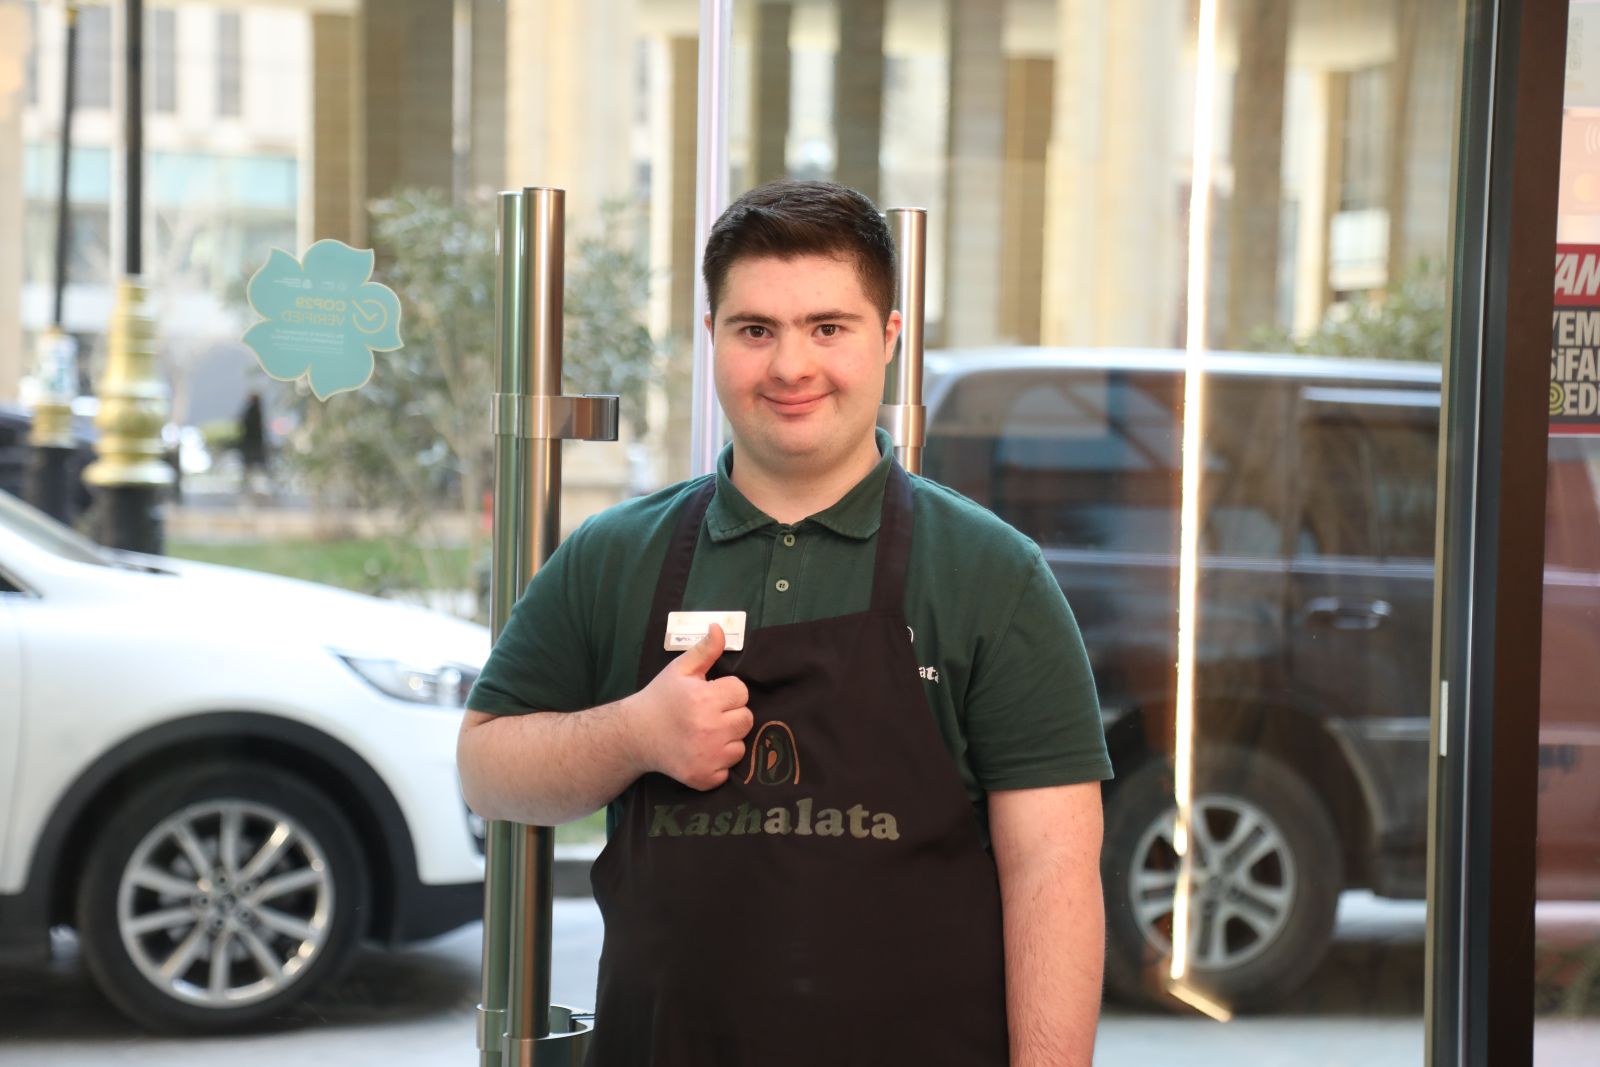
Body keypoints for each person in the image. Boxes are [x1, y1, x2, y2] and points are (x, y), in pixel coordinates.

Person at [458, 179, 1112, 1066]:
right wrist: (635, 733)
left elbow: (1052, 876)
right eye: (755, 329)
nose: (791, 366)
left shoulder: (993, 575)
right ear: (713, 337)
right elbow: (487, 769)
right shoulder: (615, 554)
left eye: (828, 327)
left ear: (889, 337)